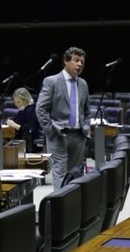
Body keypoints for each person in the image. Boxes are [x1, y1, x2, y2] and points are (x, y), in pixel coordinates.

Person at [36, 47, 91, 189]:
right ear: (66, 61)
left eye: (82, 62)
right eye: (76, 60)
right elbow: (40, 109)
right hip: (58, 134)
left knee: (75, 174)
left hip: (78, 135)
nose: (79, 64)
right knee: (60, 173)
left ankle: (73, 202)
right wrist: (50, 131)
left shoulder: (83, 84)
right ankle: (60, 202)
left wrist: (85, 127)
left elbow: (87, 111)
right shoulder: (52, 81)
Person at [6, 87, 41, 153]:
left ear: (25, 100)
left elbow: (29, 132)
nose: (16, 105)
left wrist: (14, 125)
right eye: (15, 102)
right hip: (19, 141)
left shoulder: (31, 110)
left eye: (18, 102)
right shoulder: (22, 110)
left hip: (28, 145)